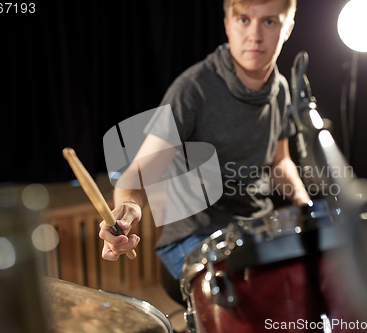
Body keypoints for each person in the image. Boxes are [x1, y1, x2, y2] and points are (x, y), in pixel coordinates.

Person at [99, 0, 309, 304]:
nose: (254, 36)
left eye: (269, 22)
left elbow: (280, 161)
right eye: (243, 20)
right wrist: (129, 209)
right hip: (193, 236)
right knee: (254, 303)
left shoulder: (281, 89)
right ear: (227, 25)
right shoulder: (193, 88)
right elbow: (138, 176)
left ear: (287, 28)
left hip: (254, 228)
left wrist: (305, 204)